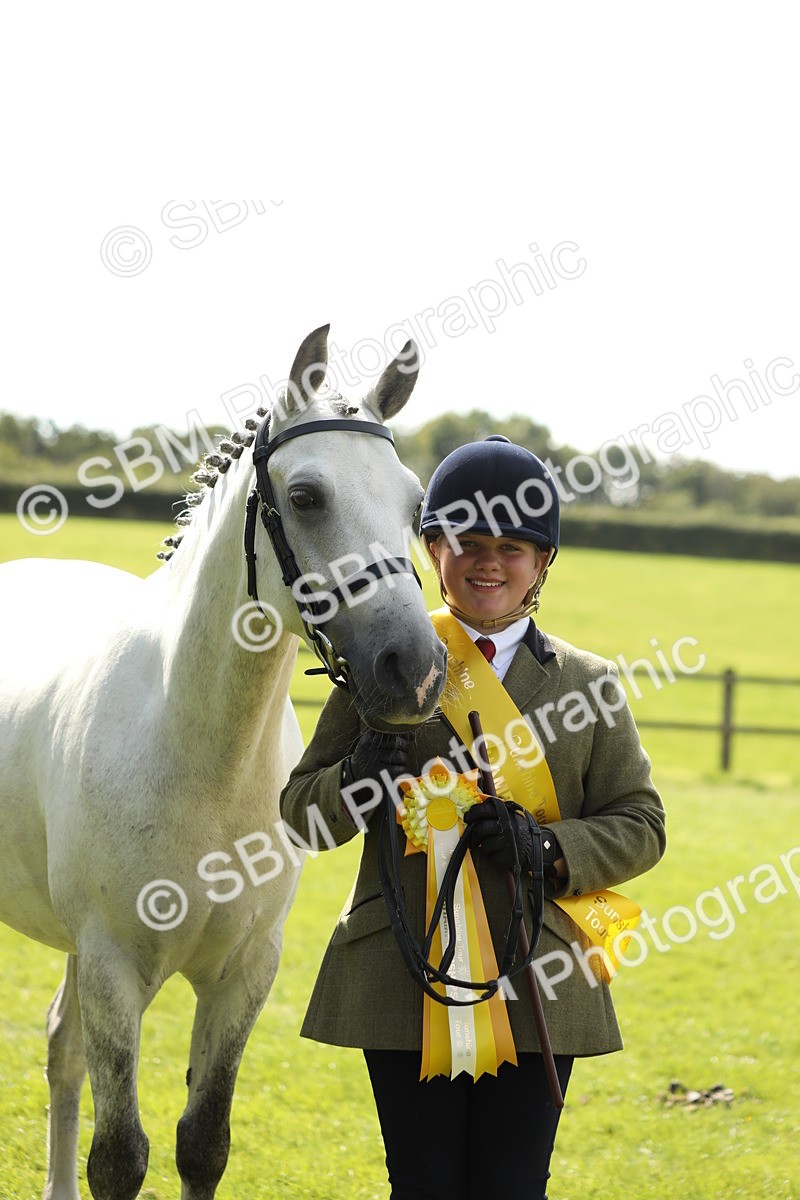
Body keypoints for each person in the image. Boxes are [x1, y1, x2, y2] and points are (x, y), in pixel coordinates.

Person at [280, 435, 666, 1199]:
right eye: (466, 543)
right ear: (431, 548)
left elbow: (642, 823)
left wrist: (549, 845)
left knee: (513, 1186)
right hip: (402, 970)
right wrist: (358, 778)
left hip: (541, 979)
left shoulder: (589, 683)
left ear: (543, 563)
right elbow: (302, 813)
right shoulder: (382, 662)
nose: (488, 563)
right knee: (421, 1184)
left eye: (512, 548)